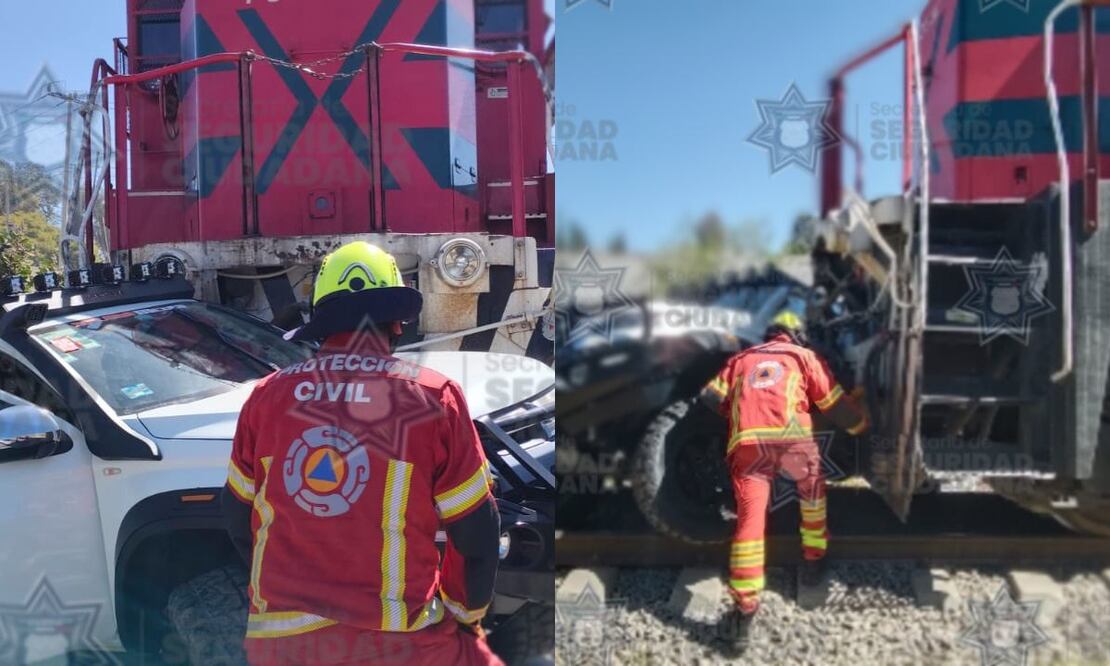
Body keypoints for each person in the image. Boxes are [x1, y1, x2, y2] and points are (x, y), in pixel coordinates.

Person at [221, 241, 504, 666]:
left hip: (282, 647)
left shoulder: (267, 397)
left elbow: (236, 516)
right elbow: (477, 533)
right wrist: (467, 616)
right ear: (396, 323)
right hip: (398, 646)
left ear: (322, 320)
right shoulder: (431, 397)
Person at [700, 310, 868, 627]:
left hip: (748, 444)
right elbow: (834, 405)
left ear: (770, 335)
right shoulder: (804, 357)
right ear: (796, 335)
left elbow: (709, 397)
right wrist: (860, 425)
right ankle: (814, 558)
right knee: (812, 492)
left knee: (749, 520)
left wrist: (738, 409)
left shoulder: (742, 359)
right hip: (792, 440)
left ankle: (745, 605)